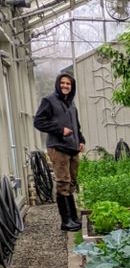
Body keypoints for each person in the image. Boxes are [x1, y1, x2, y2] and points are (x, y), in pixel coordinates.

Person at [33, 72, 85, 232]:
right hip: (58, 147)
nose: (65, 86)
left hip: (72, 148)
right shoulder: (49, 101)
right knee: (63, 183)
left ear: (72, 86)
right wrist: (60, 130)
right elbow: (38, 122)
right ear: (58, 84)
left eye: (68, 84)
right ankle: (66, 221)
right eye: (62, 83)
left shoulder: (71, 103)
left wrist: (81, 139)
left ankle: (74, 217)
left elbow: (76, 124)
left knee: (71, 182)